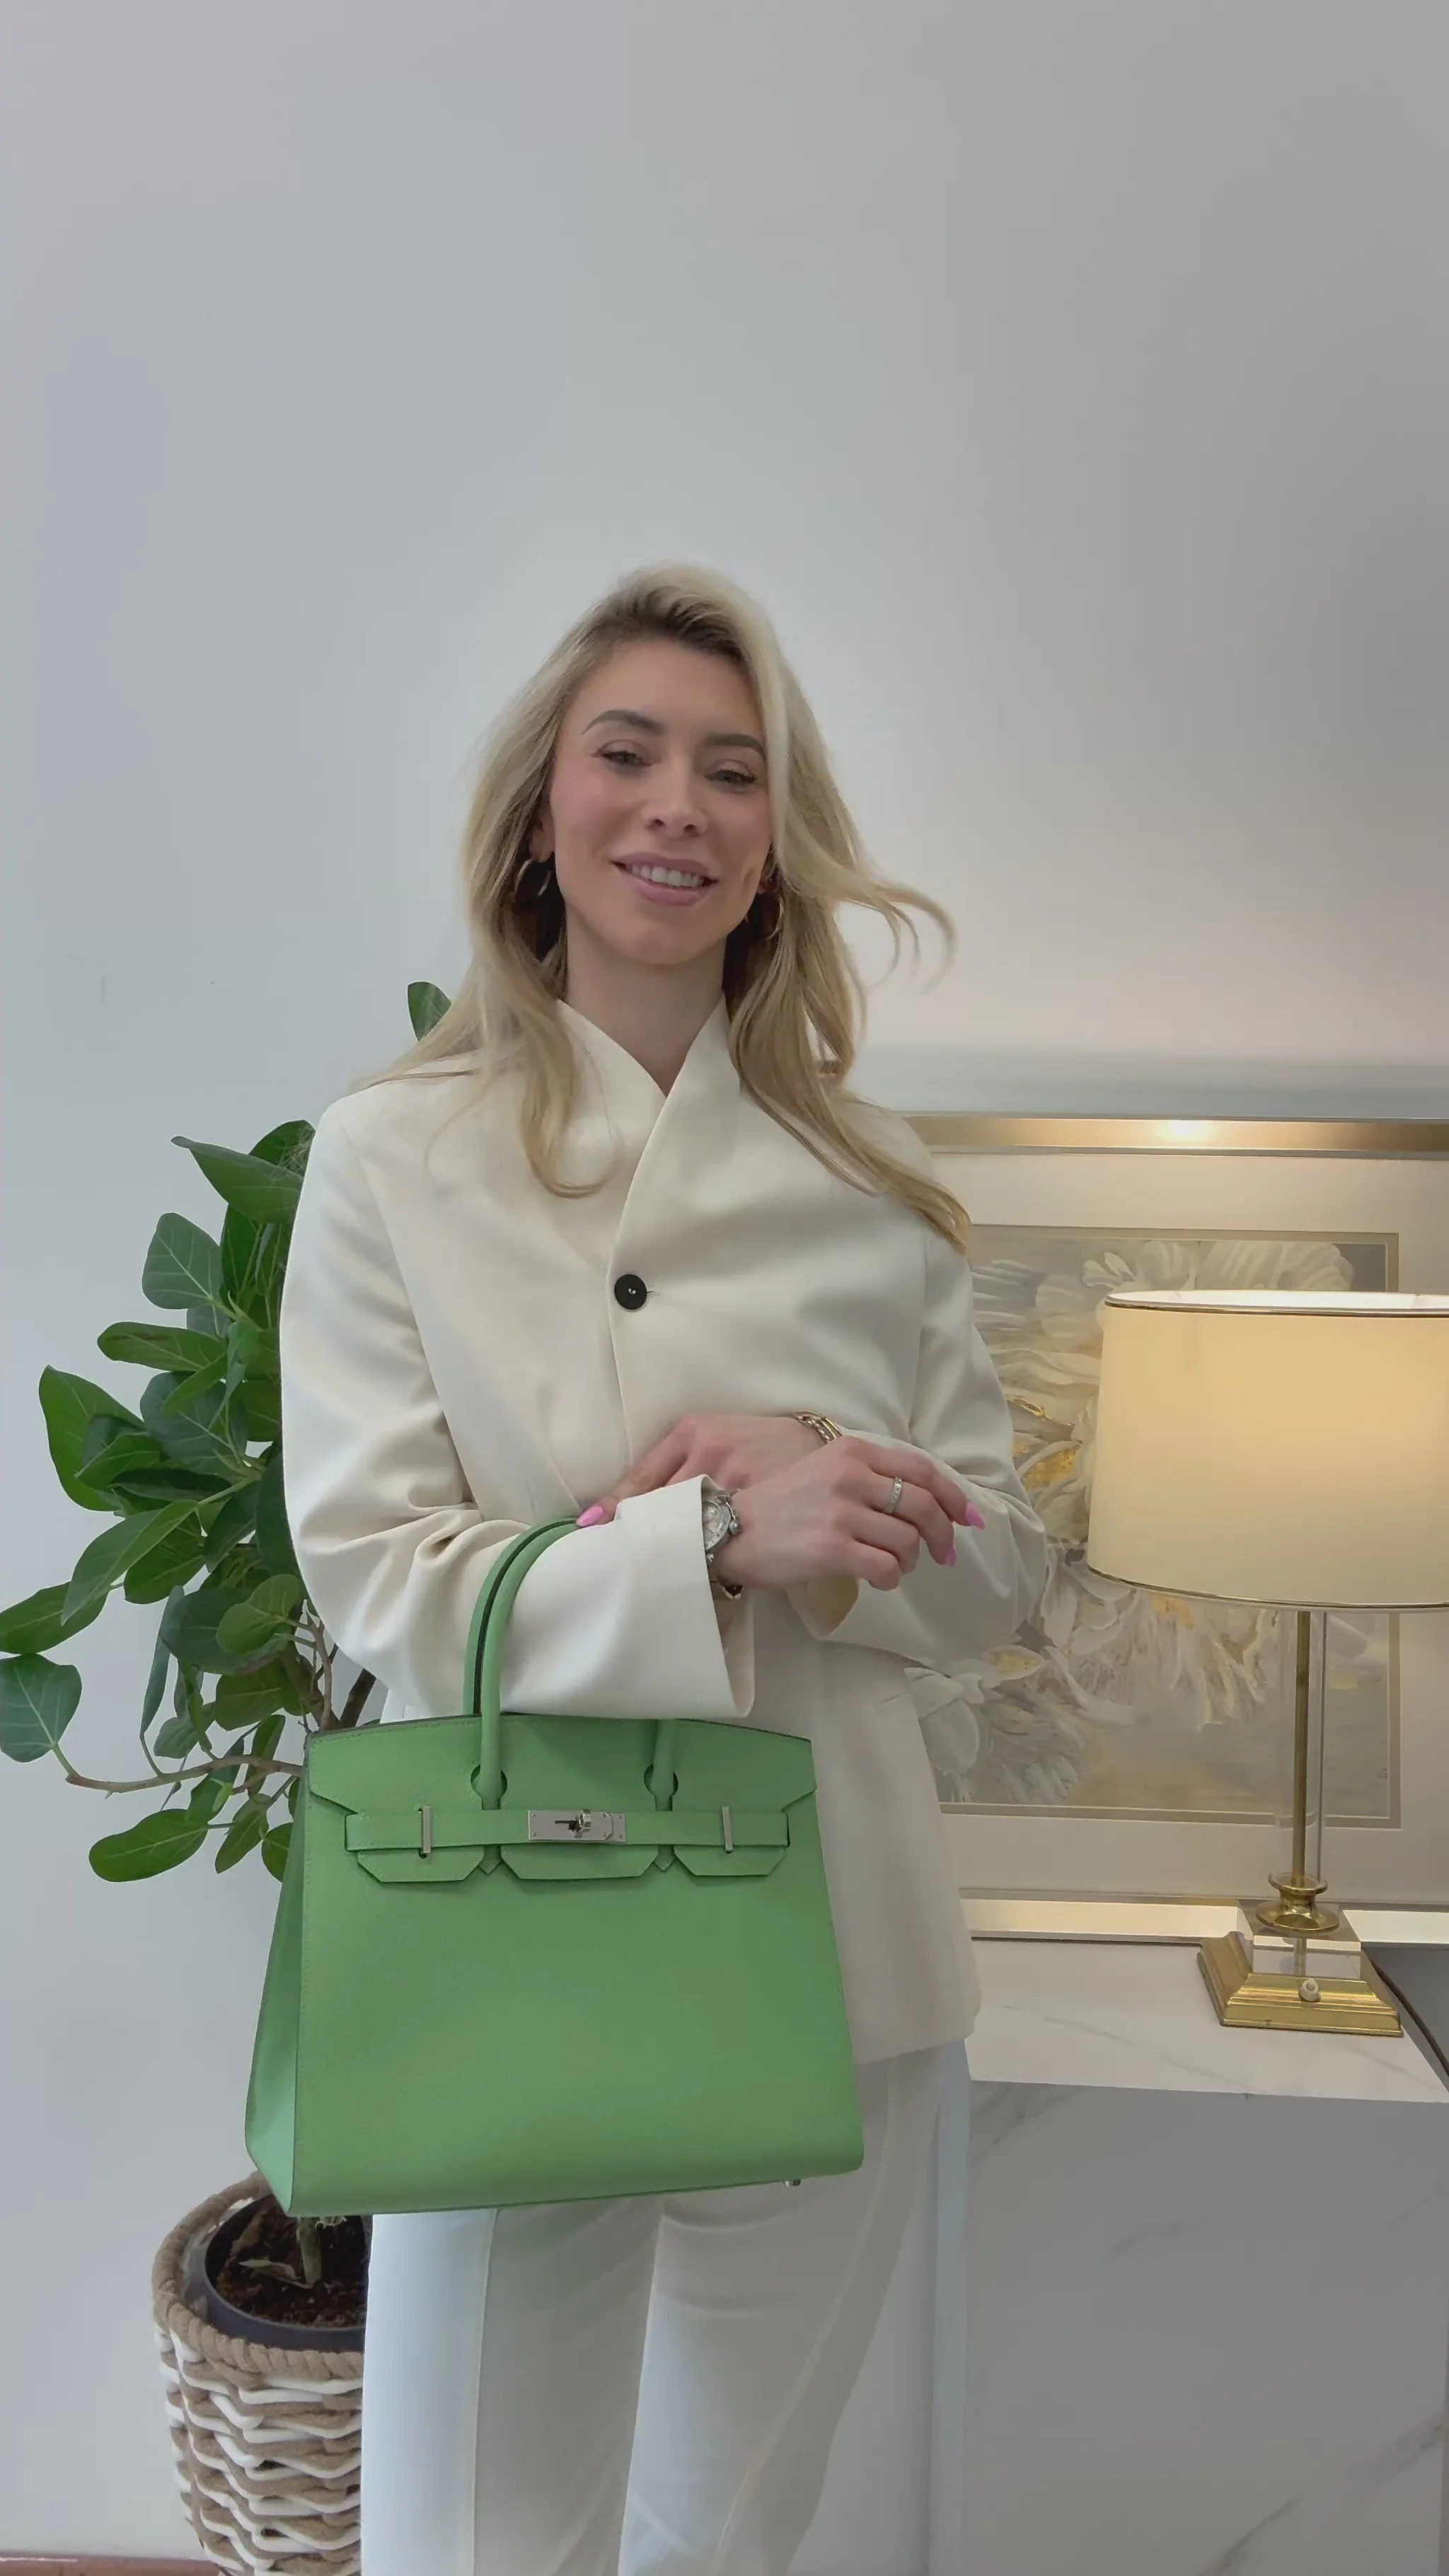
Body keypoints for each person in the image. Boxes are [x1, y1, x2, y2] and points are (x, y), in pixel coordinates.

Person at [277, 560, 1048, 2576]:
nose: (676, 807)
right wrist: (704, 1539)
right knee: (470, 2534)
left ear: (777, 843)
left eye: (733, 768)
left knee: (733, 2534)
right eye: (627, 753)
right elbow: (375, 1574)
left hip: (836, 1949)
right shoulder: (392, 1155)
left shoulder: (874, 1189)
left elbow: (1007, 1582)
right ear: (542, 806)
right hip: (503, 1926)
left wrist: (833, 1493)